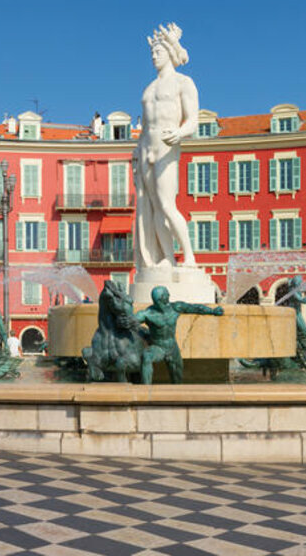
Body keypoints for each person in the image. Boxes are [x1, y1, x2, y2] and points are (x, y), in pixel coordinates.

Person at [133, 23, 200, 270]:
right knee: (154, 208)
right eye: (152, 52)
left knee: (167, 204)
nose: (153, 56)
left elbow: (193, 120)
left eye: (158, 52)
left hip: (166, 147)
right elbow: (145, 126)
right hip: (146, 149)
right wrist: (136, 152)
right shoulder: (148, 89)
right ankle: (168, 258)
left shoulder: (183, 83)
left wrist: (180, 133)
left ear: (170, 53)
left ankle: (189, 257)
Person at [135, 286, 223, 384]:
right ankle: (145, 390)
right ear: (160, 299)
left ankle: (177, 392)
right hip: (158, 347)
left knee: (177, 379)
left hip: (173, 348)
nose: (169, 295)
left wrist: (212, 311)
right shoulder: (148, 314)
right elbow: (132, 321)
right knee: (147, 357)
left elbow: (194, 308)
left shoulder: (175, 308)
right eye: (166, 295)